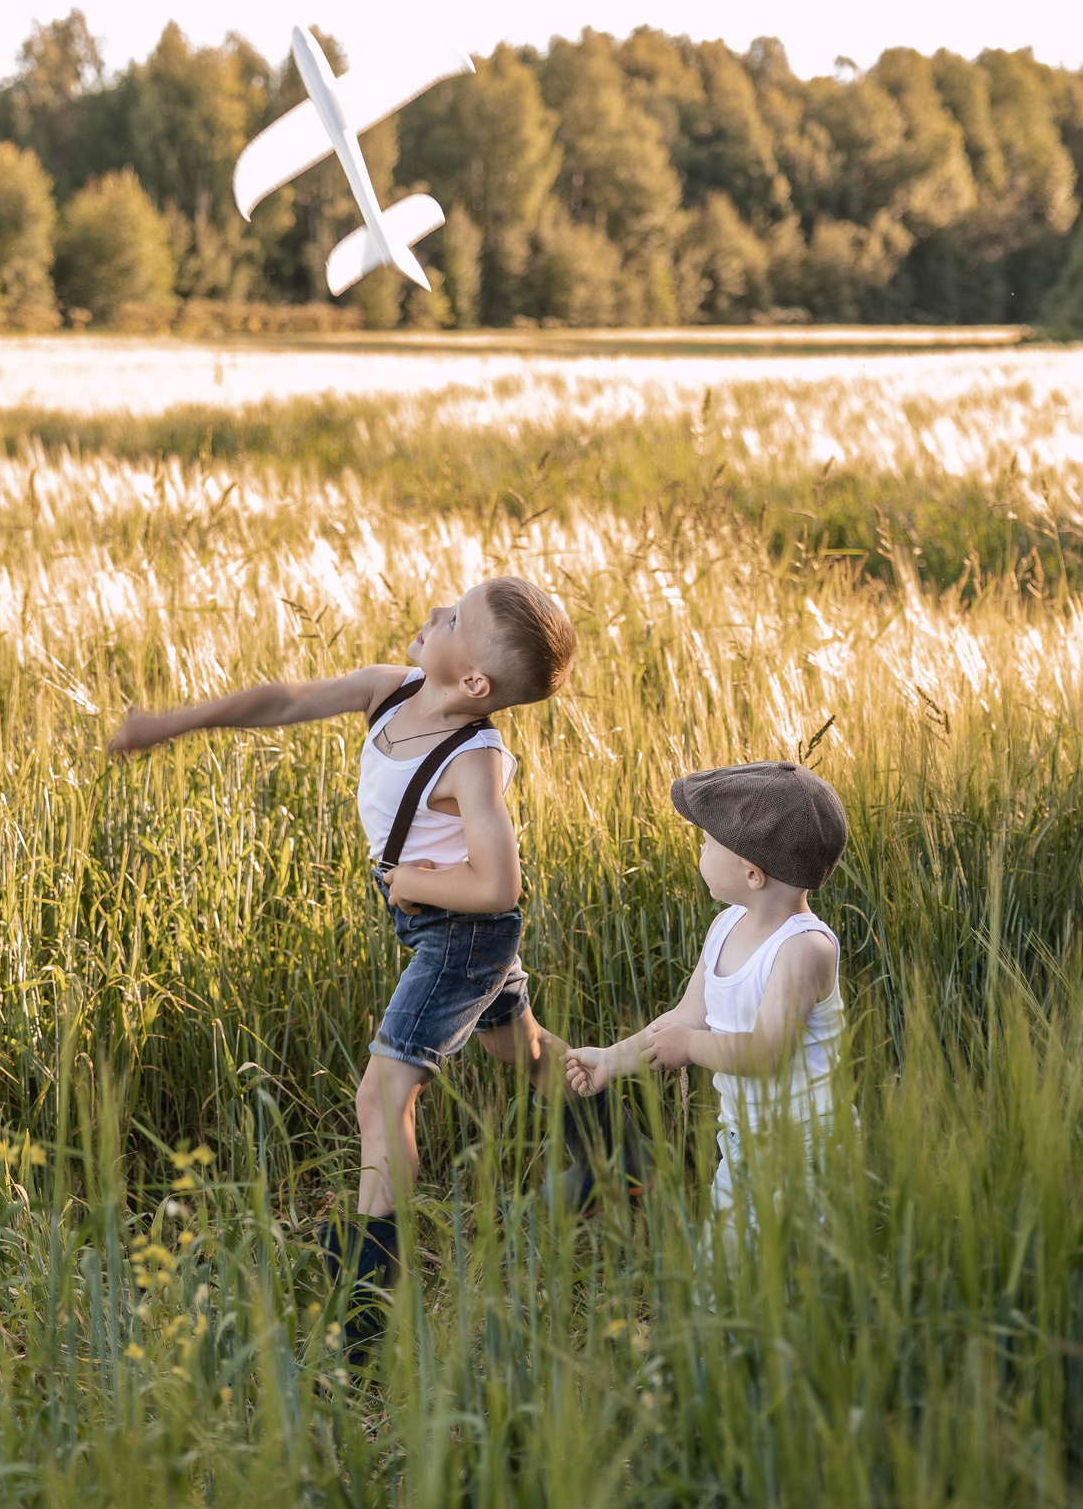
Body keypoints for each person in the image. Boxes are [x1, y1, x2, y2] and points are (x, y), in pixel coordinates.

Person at [107, 576, 633, 1358]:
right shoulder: (394, 690)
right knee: (515, 1046)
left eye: (454, 618)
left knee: (383, 1095)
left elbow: (499, 884)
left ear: (476, 683)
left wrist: (412, 882)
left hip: (463, 932)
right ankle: (624, 1150)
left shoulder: (475, 760)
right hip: (434, 926)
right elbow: (284, 700)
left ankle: (365, 1311)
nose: (433, 612)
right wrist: (175, 723)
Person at [565, 761, 850, 1217]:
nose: (699, 850)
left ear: (752, 874)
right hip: (742, 1144)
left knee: (788, 1281)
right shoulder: (726, 926)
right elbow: (685, 1017)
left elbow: (766, 1053)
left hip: (806, 1152)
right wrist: (611, 1059)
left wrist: (692, 1047)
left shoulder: (803, 949)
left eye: (707, 845)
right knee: (724, 1278)